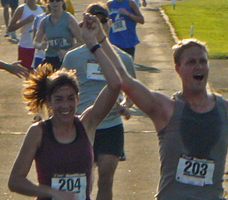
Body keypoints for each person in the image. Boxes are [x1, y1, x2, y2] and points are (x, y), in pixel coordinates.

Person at [101, 36, 228, 199]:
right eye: (191, 62)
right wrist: (100, 39)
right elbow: (125, 80)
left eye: (203, 61)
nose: (198, 66)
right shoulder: (165, 109)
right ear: (178, 68)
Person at [8, 14, 122, 200]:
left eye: (70, 98)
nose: (65, 105)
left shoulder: (87, 124)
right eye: (59, 99)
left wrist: (93, 43)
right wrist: (51, 192)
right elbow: (15, 181)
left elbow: (115, 84)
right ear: (49, 102)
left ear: (78, 99)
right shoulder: (38, 132)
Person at [61, 3, 136, 200]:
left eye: (103, 20)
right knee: (85, 179)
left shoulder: (123, 59)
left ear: (109, 23)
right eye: (93, 20)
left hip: (111, 125)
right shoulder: (72, 57)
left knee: (106, 179)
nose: (99, 24)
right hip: (82, 125)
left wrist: (125, 106)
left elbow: (132, 94)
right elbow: (61, 91)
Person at [33, 0, 83, 71]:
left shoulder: (69, 19)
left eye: (57, 0)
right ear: (48, 3)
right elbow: (35, 42)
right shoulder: (45, 21)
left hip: (66, 60)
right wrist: (40, 45)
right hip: (50, 59)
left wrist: (67, 52)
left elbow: (81, 41)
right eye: (51, 1)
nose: (54, 3)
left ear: (62, 2)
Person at [7, 0, 45, 70]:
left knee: (39, 73)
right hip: (25, 46)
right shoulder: (21, 9)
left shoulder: (42, 9)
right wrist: (25, 21)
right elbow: (10, 28)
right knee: (25, 71)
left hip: (38, 47)